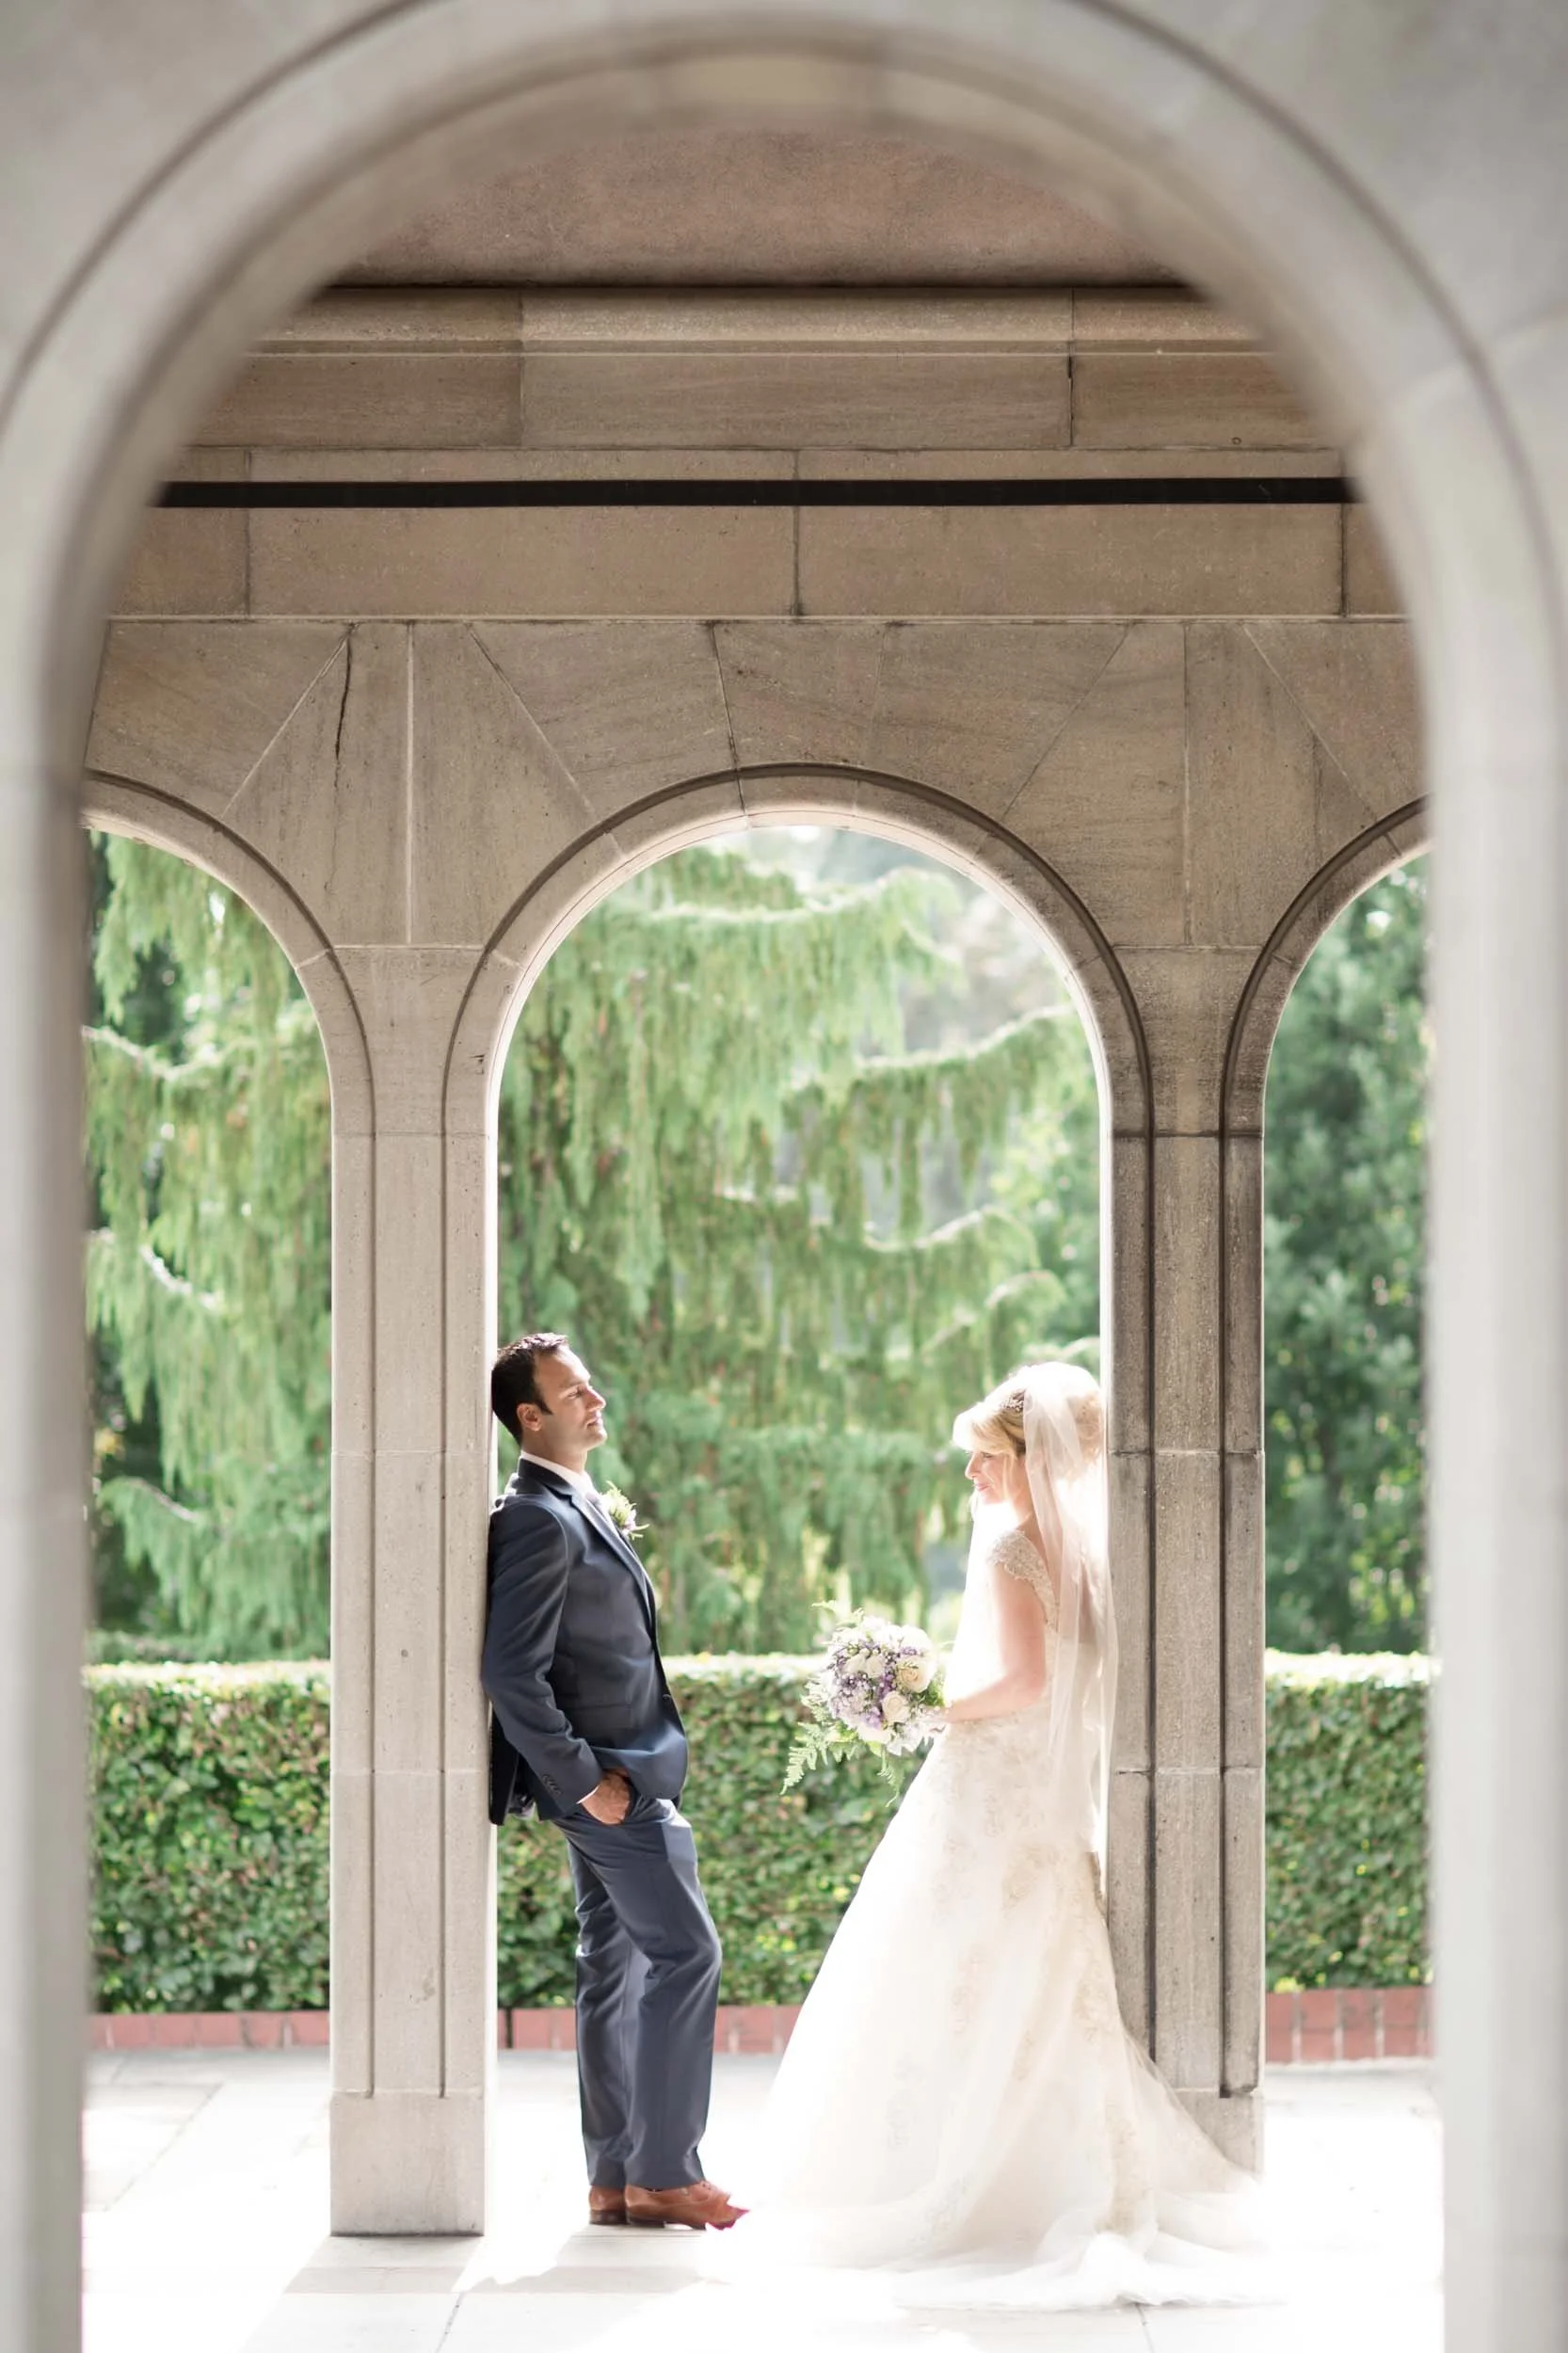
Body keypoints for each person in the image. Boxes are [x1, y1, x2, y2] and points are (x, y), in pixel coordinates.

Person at [723, 1360, 1269, 2309]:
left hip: (993, 1786)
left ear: (1024, 1460)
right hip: (1043, 1800)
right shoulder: (1088, 1557)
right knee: (1034, 1973)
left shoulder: (1016, 1549)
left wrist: (917, 1706)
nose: (973, 1478)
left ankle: (946, 2181)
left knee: (946, 1968)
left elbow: (1022, 1682)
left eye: (983, 1459)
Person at [482, 1332, 743, 2232]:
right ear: (531, 1415)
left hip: (625, 1771)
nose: (598, 1403)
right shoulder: (532, 1517)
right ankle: (668, 2172)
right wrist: (585, 1782)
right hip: (611, 1786)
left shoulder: (575, 1502)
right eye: (577, 1392)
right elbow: (511, 1672)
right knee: (686, 1951)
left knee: (615, 1965)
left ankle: (619, 2178)